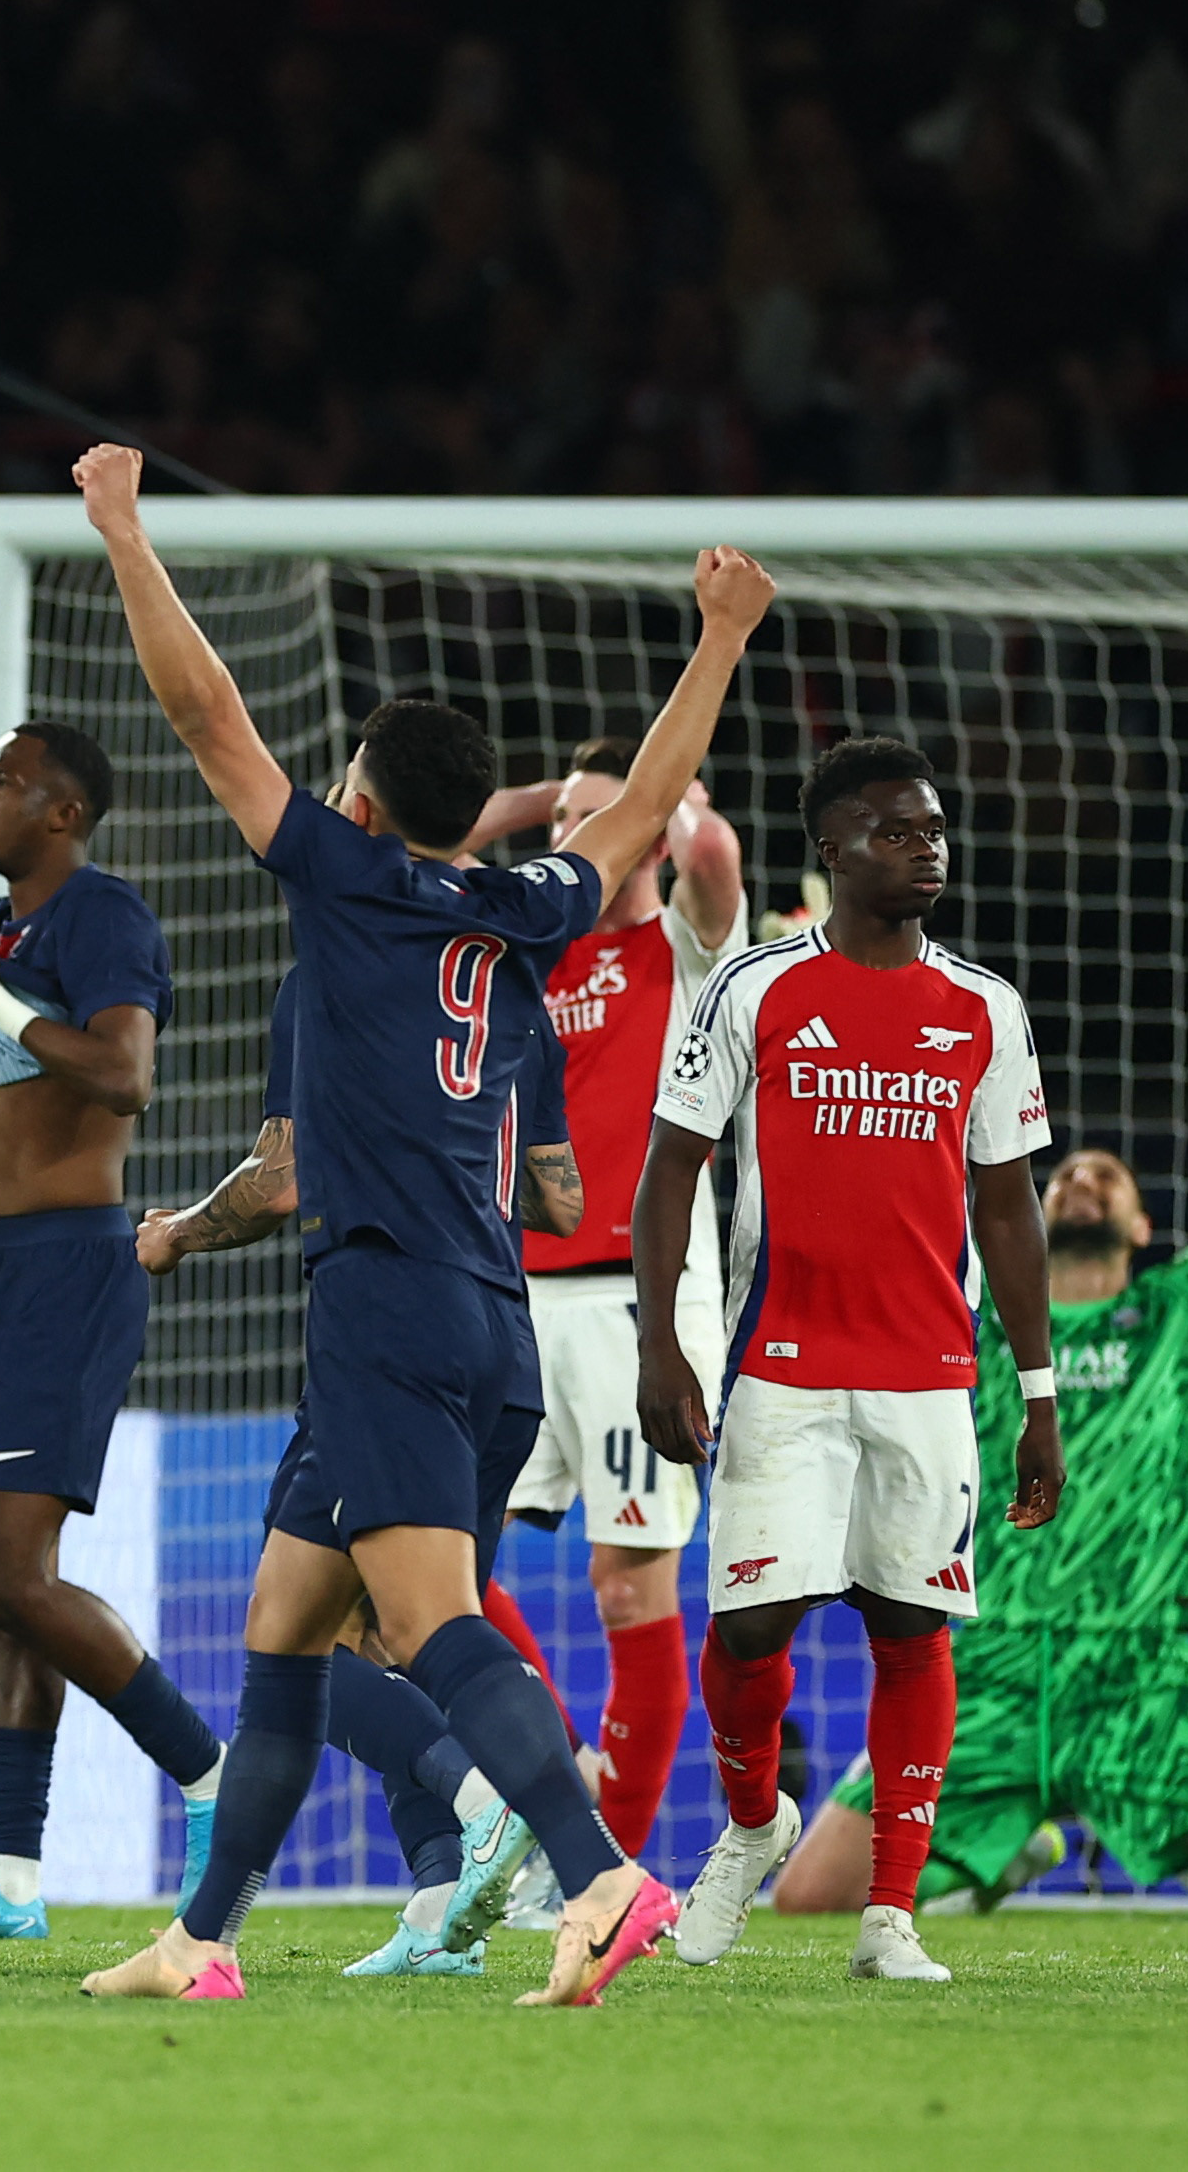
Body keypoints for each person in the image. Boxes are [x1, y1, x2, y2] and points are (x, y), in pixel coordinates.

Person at [70, 443, 769, 2007]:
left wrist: (122, 531)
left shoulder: (349, 881)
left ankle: (600, 1876)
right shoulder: (525, 910)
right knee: (285, 1631)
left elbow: (206, 714)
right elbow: (642, 807)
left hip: (384, 1303)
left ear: (364, 802)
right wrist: (719, 636)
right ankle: (201, 1937)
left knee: (425, 1623)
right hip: (485, 1312)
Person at [765, 879, 1188, 1926]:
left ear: (1144, 1227)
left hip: (1135, 1669)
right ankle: (992, 1861)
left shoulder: (1184, 1311)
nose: (1082, 1181)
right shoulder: (968, 1316)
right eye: (1063, 1174)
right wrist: (825, 991)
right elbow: (864, 1156)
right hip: (985, 1662)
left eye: (1108, 1177)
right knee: (811, 1903)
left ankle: (1129, 1850)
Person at [641, 734, 1063, 1987]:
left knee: (910, 1623)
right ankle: (750, 1826)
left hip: (929, 1374)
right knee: (751, 1624)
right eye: (895, 830)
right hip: (778, 1363)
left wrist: (1036, 1395)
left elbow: (1008, 1209)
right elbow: (670, 1169)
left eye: (933, 830)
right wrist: (661, 1343)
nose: (924, 849)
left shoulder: (984, 1008)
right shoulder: (754, 988)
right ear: (830, 848)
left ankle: (890, 1915)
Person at [146, 963, 584, 1982]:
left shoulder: (340, 977)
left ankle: (487, 1802)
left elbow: (280, 1181)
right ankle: (438, 1904)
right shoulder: (513, 994)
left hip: (389, 1340)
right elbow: (559, 1199)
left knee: (303, 1636)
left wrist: (174, 1234)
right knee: (400, 1633)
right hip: (505, 1348)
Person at [0, 717, 221, 1944]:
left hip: (66, 1267)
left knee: (8, 1575)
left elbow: (123, 1075)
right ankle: (10, 1879)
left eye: (5, 782)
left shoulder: (100, 916)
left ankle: (211, 1776)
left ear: (63, 812)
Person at [461, 737, 749, 1862]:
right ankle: (563, 1776)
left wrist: (664, 799)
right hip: (512, 1295)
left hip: (643, 1307)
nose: (571, 837)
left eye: (601, 818)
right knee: (437, 1571)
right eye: (560, 826)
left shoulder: (684, 948)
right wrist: (552, 801)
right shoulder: (519, 949)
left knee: (627, 1593)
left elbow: (713, 856)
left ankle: (606, 1878)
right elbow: (426, 834)